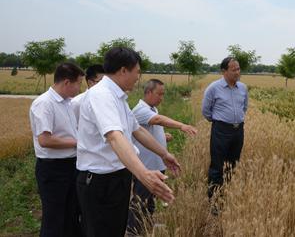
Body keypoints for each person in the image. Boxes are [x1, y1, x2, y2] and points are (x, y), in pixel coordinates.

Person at [76, 47, 181, 237]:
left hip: (118, 177)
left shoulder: (120, 98)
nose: (138, 77)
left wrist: (164, 154)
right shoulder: (102, 96)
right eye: (137, 72)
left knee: (116, 229)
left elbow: (137, 130)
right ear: (123, 70)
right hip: (100, 182)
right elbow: (115, 137)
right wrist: (144, 174)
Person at [128, 79, 198, 233]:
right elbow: (158, 121)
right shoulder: (140, 109)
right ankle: (133, 231)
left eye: (163, 94)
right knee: (140, 202)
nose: (162, 97)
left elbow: (150, 128)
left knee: (150, 202)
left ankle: (145, 228)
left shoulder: (152, 109)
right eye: (159, 94)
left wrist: (161, 135)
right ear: (148, 93)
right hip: (146, 167)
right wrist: (181, 125)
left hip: (156, 165)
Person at [29, 62, 85, 237]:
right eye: (79, 84)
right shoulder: (44, 104)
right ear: (67, 82)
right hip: (53, 169)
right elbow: (45, 140)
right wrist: (77, 142)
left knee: (71, 215)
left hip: (71, 165)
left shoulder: (68, 103)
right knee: (54, 219)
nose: (80, 88)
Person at [202, 57, 248, 201]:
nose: (237, 72)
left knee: (233, 164)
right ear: (224, 71)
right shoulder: (213, 88)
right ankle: (214, 199)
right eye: (233, 69)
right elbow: (206, 111)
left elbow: (244, 107)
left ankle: (226, 193)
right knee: (217, 164)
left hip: (238, 130)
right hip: (221, 130)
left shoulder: (243, 88)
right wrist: (218, 122)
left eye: (238, 69)